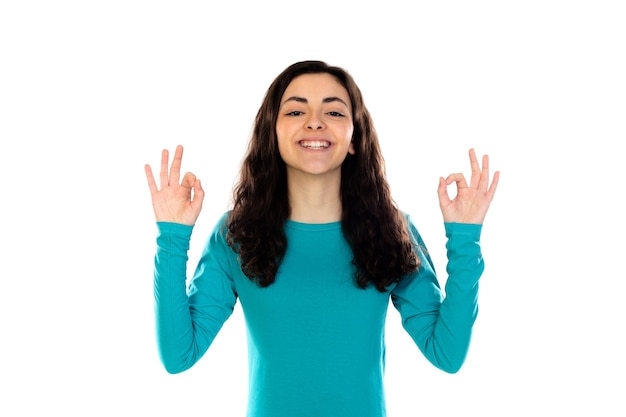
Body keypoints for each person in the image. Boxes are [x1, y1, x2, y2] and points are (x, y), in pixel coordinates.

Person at [144, 60, 499, 417]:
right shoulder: (236, 235)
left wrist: (464, 239)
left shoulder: (392, 230)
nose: (314, 121)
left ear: (355, 139)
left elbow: (447, 354)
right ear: (274, 133)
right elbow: (178, 355)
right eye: (297, 110)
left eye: (333, 111)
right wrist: (172, 237)